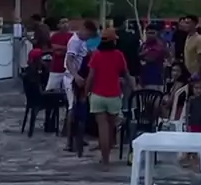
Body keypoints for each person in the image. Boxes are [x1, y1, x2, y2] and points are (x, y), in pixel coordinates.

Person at [85, 26, 135, 169]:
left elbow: (91, 77)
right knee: (111, 127)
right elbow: (126, 74)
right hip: (114, 96)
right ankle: (111, 150)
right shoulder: (118, 55)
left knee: (102, 129)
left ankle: (105, 160)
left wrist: (86, 92)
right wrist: (134, 88)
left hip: (97, 95)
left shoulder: (96, 55)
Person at [63, 19, 98, 150]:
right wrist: (76, 76)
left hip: (81, 77)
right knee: (72, 108)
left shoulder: (83, 42)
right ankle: (69, 141)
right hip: (71, 78)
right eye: (89, 34)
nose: (88, 37)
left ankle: (79, 136)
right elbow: (69, 61)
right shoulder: (74, 42)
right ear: (84, 30)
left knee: (81, 107)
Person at [45, 18, 72, 92]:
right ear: (58, 25)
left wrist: (61, 48)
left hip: (69, 68)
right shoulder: (55, 36)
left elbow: (72, 49)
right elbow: (55, 49)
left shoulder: (73, 36)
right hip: (56, 67)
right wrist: (67, 48)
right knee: (51, 88)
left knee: (68, 90)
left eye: (66, 22)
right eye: (63, 23)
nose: (65, 25)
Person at [139, 25, 167, 90]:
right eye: (149, 33)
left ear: (157, 34)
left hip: (156, 79)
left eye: (153, 33)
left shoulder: (160, 46)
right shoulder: (144, 45)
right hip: (144, 79)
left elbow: (151, 58)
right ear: (146, 33)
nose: (151, 35)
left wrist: (143, 55)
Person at [184, 15, 201, 80]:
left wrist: (199, 74)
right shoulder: (187, 37)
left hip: (196, 74)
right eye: (185, 23)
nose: (185, 25)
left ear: (194, 24)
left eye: (188, 23)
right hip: (188, 73)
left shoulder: (200, 39)